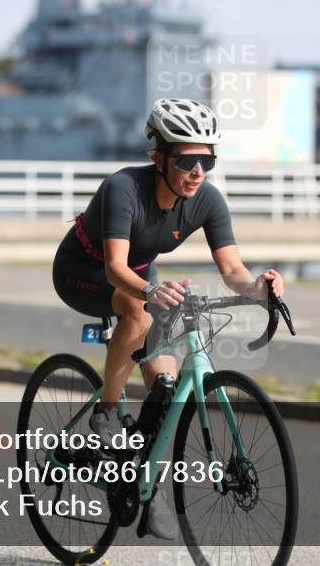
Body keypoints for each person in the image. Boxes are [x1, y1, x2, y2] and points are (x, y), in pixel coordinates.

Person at [52, 98, 284, 538]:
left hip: (140, 276)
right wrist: (153, 291)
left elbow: (233, 270)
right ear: (159, 158)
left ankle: (145, 485)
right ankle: (105, 414)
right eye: (187, 160)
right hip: (85, 270)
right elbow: (115, 269)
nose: (198, 171)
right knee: (138, 313)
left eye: (207, 160)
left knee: (166, 385)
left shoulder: (206, 200)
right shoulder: (123, 188)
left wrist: (258, 288)